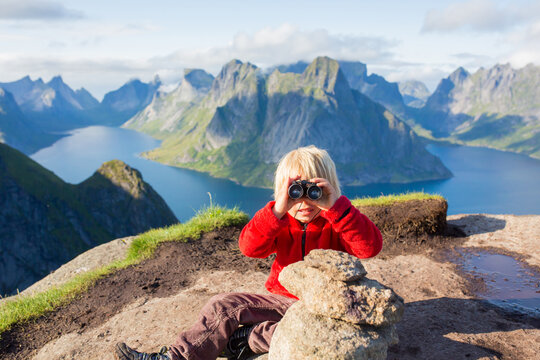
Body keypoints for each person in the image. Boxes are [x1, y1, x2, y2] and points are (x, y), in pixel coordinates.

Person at [114, 145, 383, 360]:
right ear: (282, 192)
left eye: (314, 192)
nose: (304, 201)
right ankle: (178, 358)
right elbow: (249, 247)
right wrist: (277, 210)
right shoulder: (279, 221)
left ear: (328, 189)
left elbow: (369, 248)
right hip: (282, 300)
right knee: (223, 306)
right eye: (295, 191)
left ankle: (243, 341)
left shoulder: (338, 220)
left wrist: (336, 207)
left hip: (323, 306)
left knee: (307, 333)